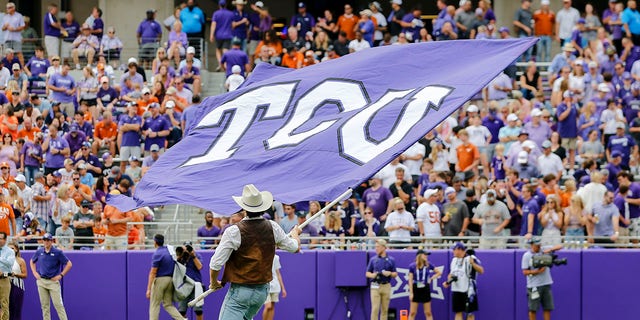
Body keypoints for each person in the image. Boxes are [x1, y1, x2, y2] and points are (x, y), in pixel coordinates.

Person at [209, 184, 300, 320]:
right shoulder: (273, 227)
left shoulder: (233, 231)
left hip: (240, 291)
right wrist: (296, 233)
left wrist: (214, 282)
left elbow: (215, 263)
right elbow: (294, 248)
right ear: (262, 207)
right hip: (262, 291)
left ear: (244, 208)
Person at [30, 232, 72, 320]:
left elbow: (69, 264)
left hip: (53, 282)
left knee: (58, 305)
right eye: (44, 240)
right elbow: (32, 261)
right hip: (41, 281)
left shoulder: (57, 252)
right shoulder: (39, 251)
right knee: (44, 306)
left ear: (51, 241)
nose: (46, 242)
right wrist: (34, 273)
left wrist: (61, 275)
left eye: (48, 240)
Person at [522, 237, 562, 320]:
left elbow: (560, 246)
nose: (539, 246)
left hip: (546, 284)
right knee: (533, 309)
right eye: (537, 245)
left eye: (539, 244)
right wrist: (538, 271)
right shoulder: (527, 256)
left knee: (547, 308)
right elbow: (525, 272)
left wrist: (549, 250)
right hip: (534, 286)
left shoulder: (543, 250)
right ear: (532, 245)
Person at [146, 234, 184, 320]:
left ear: (155, 242)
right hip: (171, 280)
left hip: (160, 280)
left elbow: (153, 272)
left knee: (154, 304)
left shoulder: (157, 254)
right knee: (168, 304)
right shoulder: (169, 251)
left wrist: (148, 289)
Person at [443, 242, 484, 320]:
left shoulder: (470, 258)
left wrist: (473, 264)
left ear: (459, 250)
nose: (453, 252)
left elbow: (481, 271)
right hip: (456, 289)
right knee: (458, 312)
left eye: (454, 250)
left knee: (469, 313)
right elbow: (451, 273)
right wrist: (448, 281)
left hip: (468, 290)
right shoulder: (454, 260)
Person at [366, 239, 397, 320]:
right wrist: (373, 275)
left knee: (384, 309)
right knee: (375, 309)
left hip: (386, 285)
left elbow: (395, 274)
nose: (376, 249)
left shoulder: (391, 260)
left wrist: (389, 273)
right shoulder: (373, 259)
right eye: (375, 247)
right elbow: (367, 273)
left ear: (383, 247)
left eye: (378, 247)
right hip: (375, 285)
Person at [408, 249, 440, 320]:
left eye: (426, 255)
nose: (426, 256)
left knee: (428, 312)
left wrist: (431, 279)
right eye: (424, 255)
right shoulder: (412, 266)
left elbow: (439, 272)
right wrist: (411, 293)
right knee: (412, 312)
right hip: (416, 288)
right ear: (419, 256)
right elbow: (410, 280)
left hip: (425, 288)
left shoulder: (428, 264)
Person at [176, 241, 204, 320]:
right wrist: (180, 256)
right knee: (181, 311)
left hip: (196, 285)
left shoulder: (196, 255)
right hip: (185, 285)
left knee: (198, 310)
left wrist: (193, 256)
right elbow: (175, 267)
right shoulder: (181, 257)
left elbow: (200, 267)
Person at [262, 254, 286, 320]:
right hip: (265, 286)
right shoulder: (263, 256)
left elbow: (278, 273)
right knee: (268, 306)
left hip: (275, 286)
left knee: (272, 307)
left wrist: (283, 288)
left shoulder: (276, 257)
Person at [8, 241, 26, 320]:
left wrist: (15, 274)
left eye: (12, 248)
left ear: (16, 250)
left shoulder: (20, 260)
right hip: (5, 285)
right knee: (6, 308)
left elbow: (25, 275)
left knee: (16, 308)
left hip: (17, 286)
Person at [0, 232, 14, 320]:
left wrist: (0, 258)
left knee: (4, 303)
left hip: (4, 279)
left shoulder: (10, 251)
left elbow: (10, 263)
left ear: (5, 240)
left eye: (1, 238)